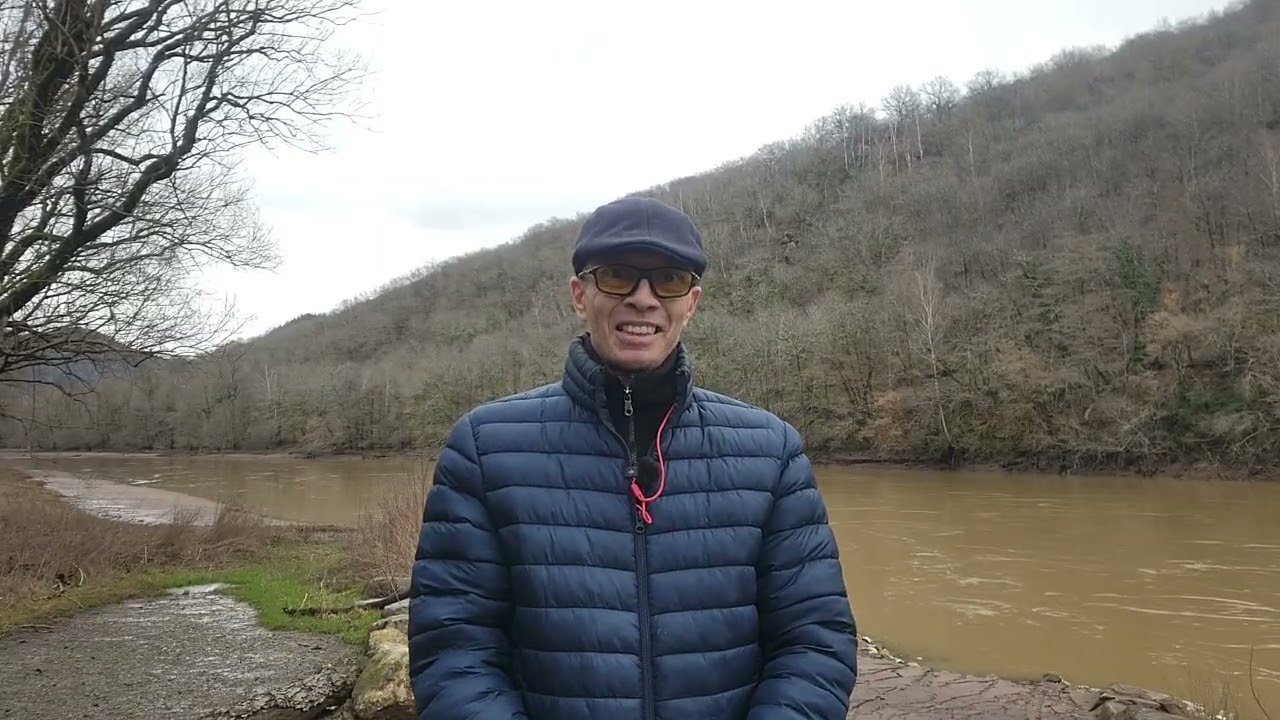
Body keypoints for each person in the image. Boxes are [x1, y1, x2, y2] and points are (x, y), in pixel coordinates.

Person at [407, 196, 857, 720]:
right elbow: (455, 650)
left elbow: (814, 642)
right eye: (619, 276)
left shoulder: (771, 450)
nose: (643, 299)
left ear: (692, 302)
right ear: (580, 295)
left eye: (668, 280)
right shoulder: (485, 447)